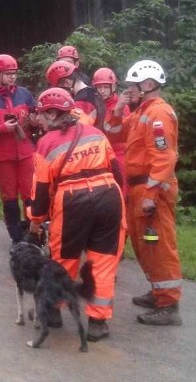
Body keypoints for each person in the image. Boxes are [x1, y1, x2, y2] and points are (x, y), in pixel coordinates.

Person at [28, 87, 127, 342]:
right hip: (109, 196)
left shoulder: (46, 143)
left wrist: (36, 221)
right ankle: (98, 322)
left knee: (64, 259)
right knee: (103, 262)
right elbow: (117, 172)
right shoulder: (96, 133)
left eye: (41, 114)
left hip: (73, 201)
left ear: (52, 113)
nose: (38, 119)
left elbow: (40, 191)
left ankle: (53, 311)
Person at [106, 60, 182, 326]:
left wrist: (151, 193)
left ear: (148, 84)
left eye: (133, 85)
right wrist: (116, 109)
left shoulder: (158, 114)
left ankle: (169, 304)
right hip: (139, 187)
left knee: (158, 245)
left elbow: (164, 157)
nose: (130, 89)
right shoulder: (140, 113)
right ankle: (159, 292)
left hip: (152, 189)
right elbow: (113, 135)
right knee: (145, 244)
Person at [0, 54, 36, 244]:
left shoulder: (24, 94)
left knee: (31, 195)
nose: (12, 77)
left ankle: (34, 234)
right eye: (8, 73)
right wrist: (3, 128)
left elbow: (37, 117)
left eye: (14, 73)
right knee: (9, 198)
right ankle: (16, 238)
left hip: (26, 152)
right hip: (2, 156)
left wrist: (34, 121)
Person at [94, 67, 130, 190]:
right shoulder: (97, 105)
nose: (102, 91)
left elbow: (118, 133)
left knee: (121, 190)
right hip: (102, 155)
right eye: (99, 87)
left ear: (113, 87)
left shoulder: (120, 106)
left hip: (118, 154)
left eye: (106, 87)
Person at [46, 60, 106, 129]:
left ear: (66, 83)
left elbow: (72, 130)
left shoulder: (82, 102)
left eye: (60, 87)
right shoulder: (93, 93)